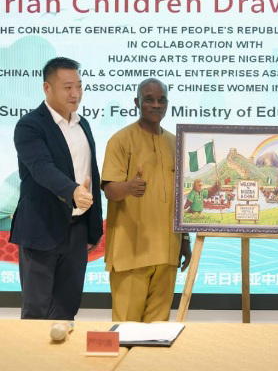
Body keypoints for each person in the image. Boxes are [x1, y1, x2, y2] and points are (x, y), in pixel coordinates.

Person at [11, 57, 103, 319]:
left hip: (77, 230)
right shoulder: (30, 125)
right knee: (36, 311)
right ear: (47, 88)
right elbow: (41, 168)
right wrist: (72, 191)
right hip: (41, 228)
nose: (75, 94)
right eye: (67, 87)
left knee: (67, 309)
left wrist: (93, 228)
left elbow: (91, 175)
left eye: (79, 86)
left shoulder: (83, 124)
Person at [102, 78, 192, 322]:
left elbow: (181, 198)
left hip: (167, 252)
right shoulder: (120, 140)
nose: (156, 105)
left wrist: (185, 239)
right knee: (126, 330)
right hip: (131, 252)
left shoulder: (176, 143)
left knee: (158, 333)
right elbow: (110, 191)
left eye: (161, 100)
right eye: (149, 100)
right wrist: (128, 187)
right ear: (137, 102)